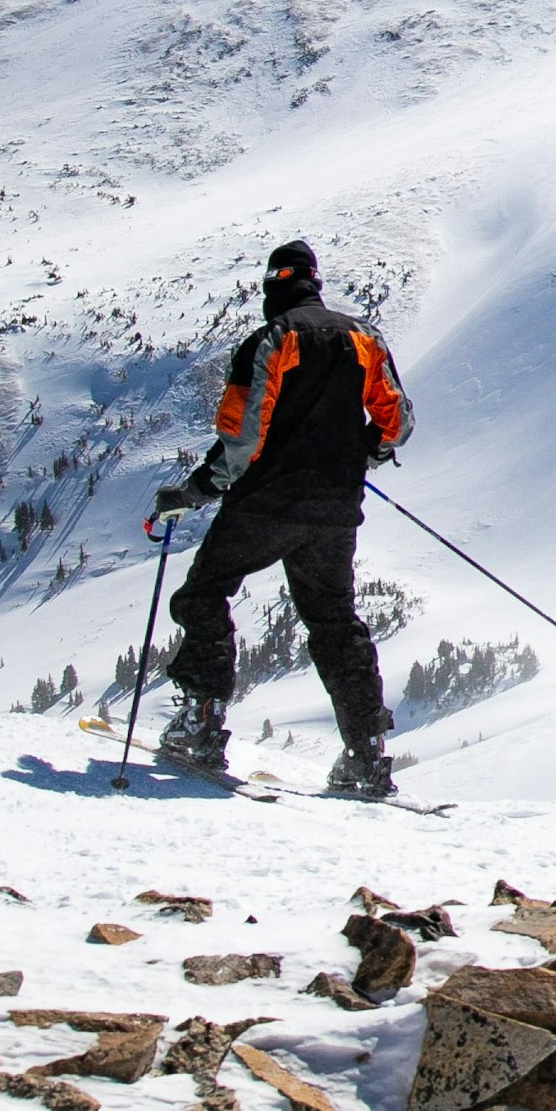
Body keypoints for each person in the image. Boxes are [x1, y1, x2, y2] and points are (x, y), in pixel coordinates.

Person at [148, 241, 414, 797]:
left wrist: (195, 490)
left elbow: (242, 439)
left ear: (271, 287)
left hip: (265, 503)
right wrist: (355, 456)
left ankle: (200, 723)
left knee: (203, 595)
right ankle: (366, 756)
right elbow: (397, 422)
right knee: (335, 623)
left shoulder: (272, 340)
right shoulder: (364, 339)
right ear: (315, 282)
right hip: (335, 509)